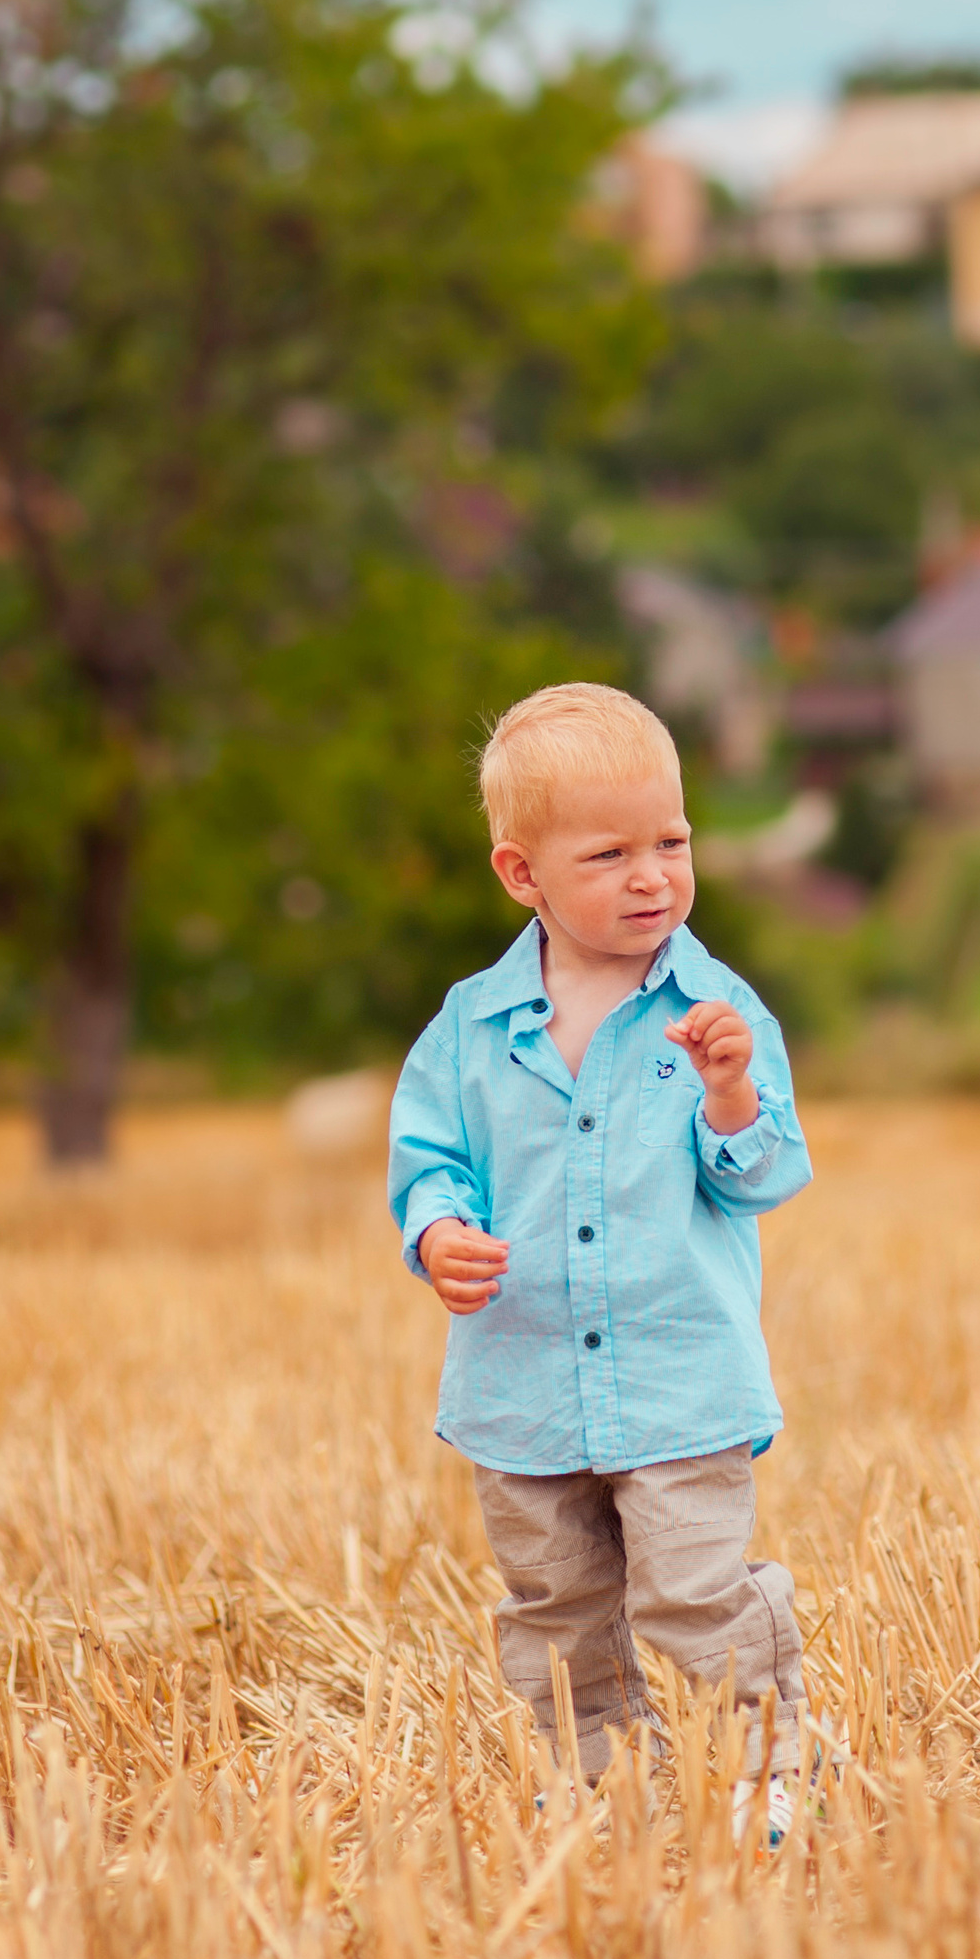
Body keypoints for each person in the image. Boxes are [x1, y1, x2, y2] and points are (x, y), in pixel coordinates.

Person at [387, 682, 817, 1839]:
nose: (653, 875)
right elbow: (427, 1159)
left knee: (693, 1591)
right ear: (522, 875)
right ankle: (593, 1781)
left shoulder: (718, 1011)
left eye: (672, 842)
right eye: (611, 852)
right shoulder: (469, 1028)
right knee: (557, 1605)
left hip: (680, 1378)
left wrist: (728, 1094)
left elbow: (763, 1175)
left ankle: (765, 1766)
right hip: (521, 1386)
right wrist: (435, 1232)